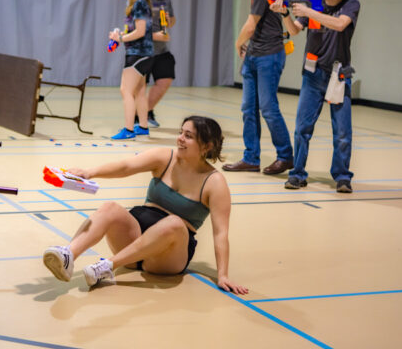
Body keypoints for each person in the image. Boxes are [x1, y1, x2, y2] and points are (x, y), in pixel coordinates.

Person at [43, 116, 248, 294]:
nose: (180, 138)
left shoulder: (214, 181)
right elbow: (126, 166)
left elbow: (220, 233)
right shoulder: (165, 157)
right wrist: (90, 172)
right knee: (110, 207)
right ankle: (68, 255)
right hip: (134, 238)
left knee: (175, 222)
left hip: (167, 255)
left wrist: (223, 275)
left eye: (188, 136)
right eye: (180, 132)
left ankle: (108, 266)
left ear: (206, 146)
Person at [270, 0, 359, 193]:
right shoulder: (311, 3)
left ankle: (342, 177)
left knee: (342, 132)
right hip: (313, 75)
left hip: (338, 76)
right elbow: (295, 30)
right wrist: (285, 14)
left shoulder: (350, 5)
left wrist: (309, 12)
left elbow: (339, 24)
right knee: (302, 129)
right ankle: (297, 174)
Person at [223, 0, 293, 175]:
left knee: (269, 108)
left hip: (269, 56)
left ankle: (285, 157)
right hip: (254, 55)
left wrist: (238, 42)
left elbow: (251, 25)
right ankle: (251, 158)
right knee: (248, 109)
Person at [109, 0, 154, 140]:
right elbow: (133, 31)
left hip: (138, 54)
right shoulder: (135, 3)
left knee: (125, 90)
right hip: (143, 54)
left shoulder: (139, 3)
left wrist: (120, 39)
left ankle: (128, 130)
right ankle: (142, 127)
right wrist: (120, 35)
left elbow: (141, 31)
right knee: (139, 91)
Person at [134, 0, 176, 129]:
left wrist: (168, 21)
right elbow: (133, 28)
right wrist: (155, 35)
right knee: (139, 87)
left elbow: (171, 20)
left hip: (161, 50)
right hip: (142, 50)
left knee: (165, 78)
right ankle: (137, 117)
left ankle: (146, 112)